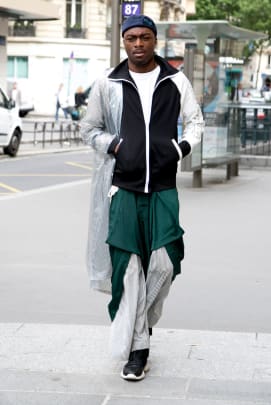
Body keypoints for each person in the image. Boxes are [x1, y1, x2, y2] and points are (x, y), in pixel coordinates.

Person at [80, 14, 204, 381]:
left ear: (154, 41)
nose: (138, 44)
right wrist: (115, 144)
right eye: (131, 37)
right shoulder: (108, 83)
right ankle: (139, 349)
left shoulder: (175, 80)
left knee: (164, 265)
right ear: (124, 41)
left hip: (164, 187)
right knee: (130, 270)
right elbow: (89, 129)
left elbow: (196, 121)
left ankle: (138, 328)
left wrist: (180, 149)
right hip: (123, 188)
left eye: (145, 37)